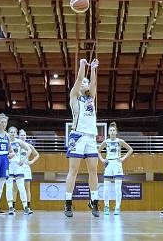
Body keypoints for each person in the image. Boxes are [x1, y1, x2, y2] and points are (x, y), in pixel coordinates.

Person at [63, 58, 101, 218]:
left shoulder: (91, 98)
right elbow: (79, 79)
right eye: (83, 82)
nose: (85, 83)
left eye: (86, 82)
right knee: (74, 170)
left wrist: (93, 68)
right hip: (77, 136)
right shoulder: (74, 97)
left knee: (93, 170)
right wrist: (82, 66)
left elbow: (93, 85)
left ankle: (94, 201)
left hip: (91, 137)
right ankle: (68, 203)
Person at [97, 122, 133, 215]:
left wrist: (123, 158)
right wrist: (102, 159)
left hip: (117, 164)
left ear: (116, 132)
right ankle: (106, 206)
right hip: (108, 164)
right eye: (110, 130)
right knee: (106, 188)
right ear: (108, 132)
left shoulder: (119, 141)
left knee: (117, 188)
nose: (112, 132)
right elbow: (98, 152)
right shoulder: (106, 142)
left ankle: (117, 207)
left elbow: (130, 149)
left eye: (113, 130)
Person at [6, 126, 35, 215]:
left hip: (18, 167)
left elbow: (29, 150)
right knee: (9, 187)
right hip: (9, 166)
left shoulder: (19, 142)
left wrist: (24, 160)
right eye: (11, 132)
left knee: (21, 187)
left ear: (16, 134)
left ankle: (26, 207)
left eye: (14, 132)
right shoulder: (6, 142)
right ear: (8, 133)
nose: (12, 133)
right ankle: (10, 207)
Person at [16, 129, 39, 211]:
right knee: (15, 188)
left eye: (24, 135)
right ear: (18, 136)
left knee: (27, 188)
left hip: (25, 168)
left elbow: (37, 155)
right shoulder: (15, 145)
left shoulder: (29, 146)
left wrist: (31, 161)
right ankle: (13, 207)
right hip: (16, 168)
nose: (23, 136)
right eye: (21, 135)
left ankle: (28, 207)